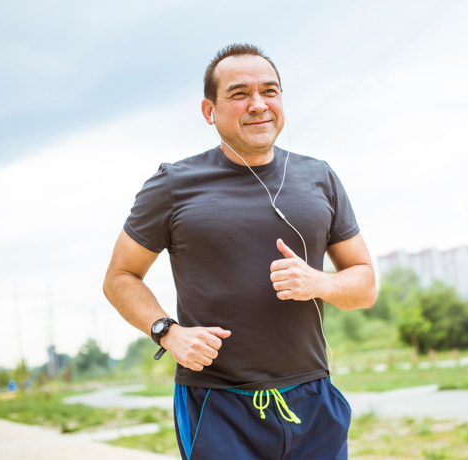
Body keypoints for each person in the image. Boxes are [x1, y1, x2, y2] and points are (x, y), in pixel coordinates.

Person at [103, 43, 377, 459]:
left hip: (313, 399)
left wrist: (318, 282)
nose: (258, 105)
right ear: (208, 110)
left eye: (270, 91)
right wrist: (167, 332)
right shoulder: (173, 185)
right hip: (219, 405)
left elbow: (365, 284)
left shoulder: (319, 177)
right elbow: (120, 278)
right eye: (238, 93)